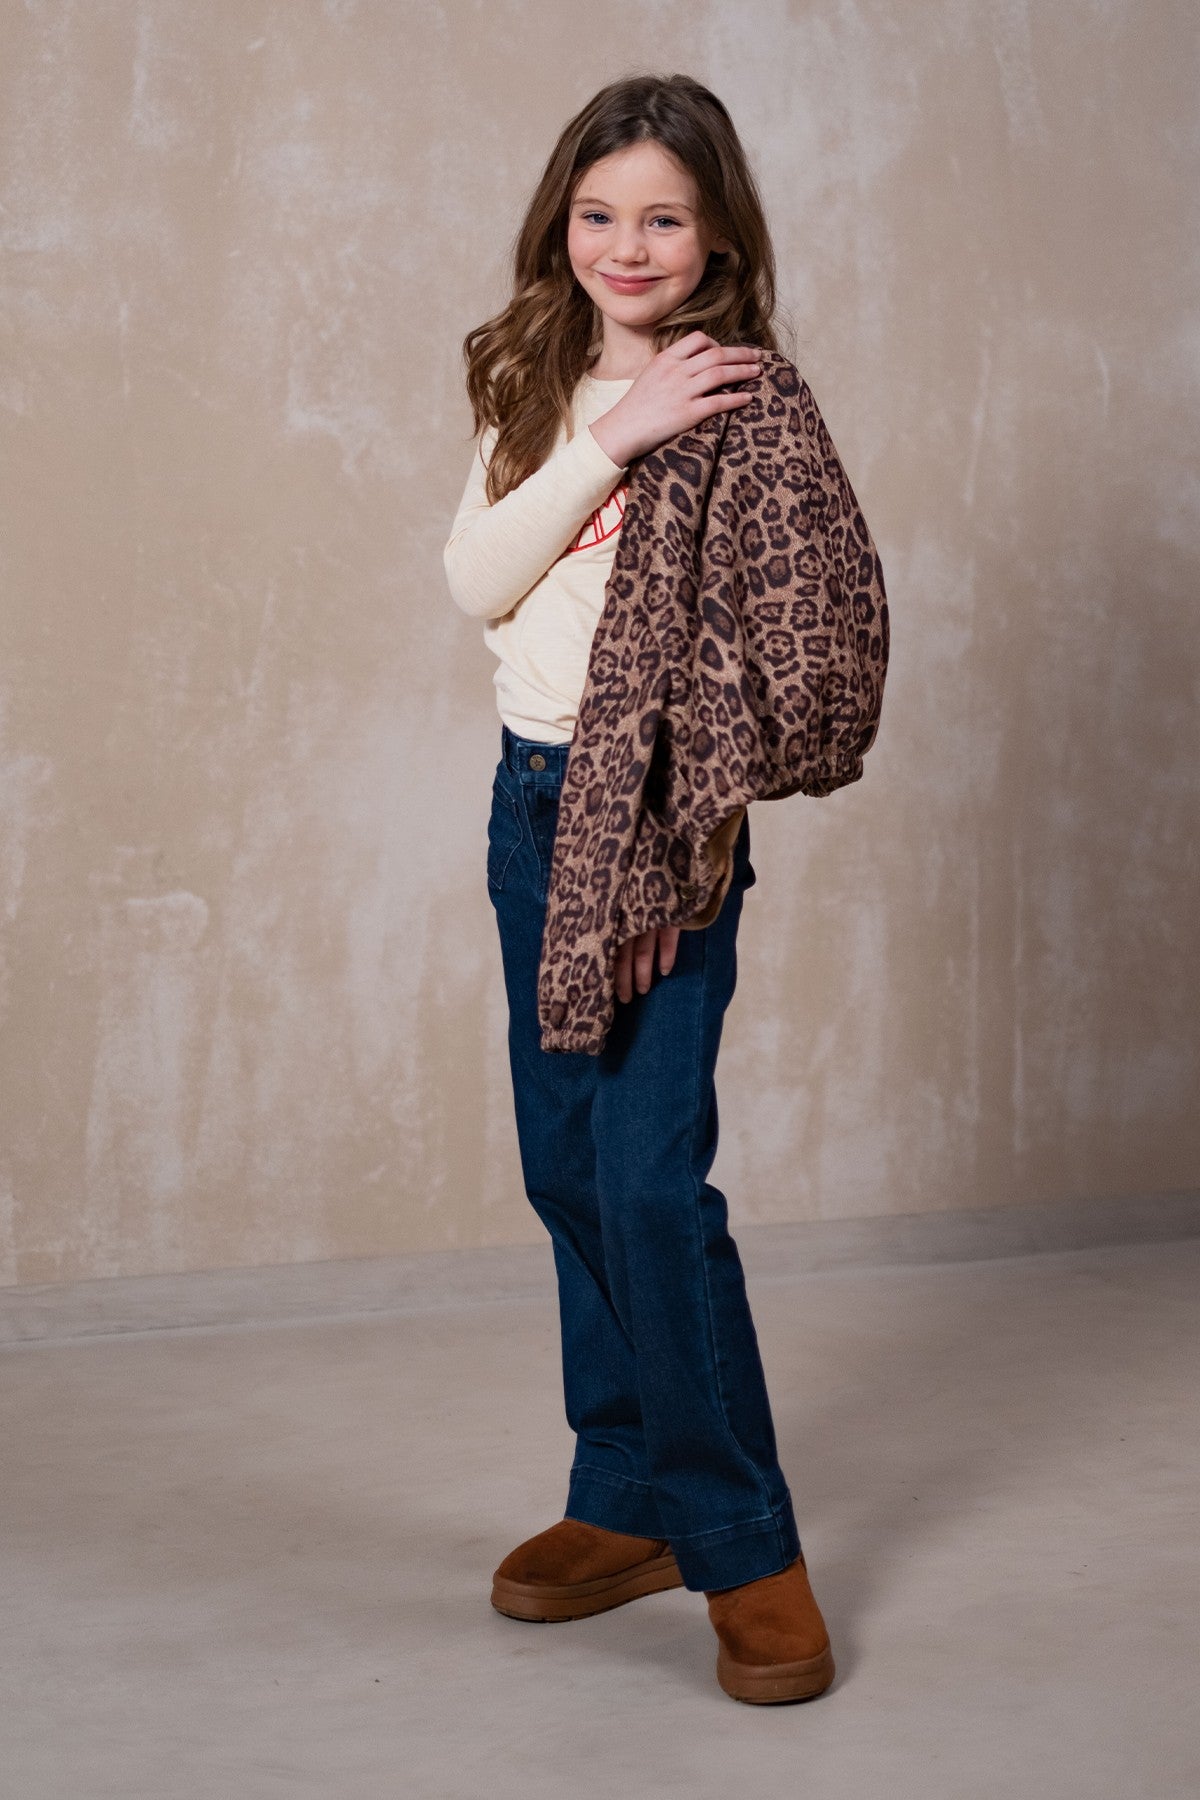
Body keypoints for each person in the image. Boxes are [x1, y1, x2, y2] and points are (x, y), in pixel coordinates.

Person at [443, 72, 836, 1705]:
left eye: (664, 217)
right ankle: (624, 1497)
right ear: (563, 222)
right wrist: (610, 436)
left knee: (652, 1185)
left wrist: (680, 848)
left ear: (717, 233)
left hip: (664, 832)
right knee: (568, 1170)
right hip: (533, 812)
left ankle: (742, 1542)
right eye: (600, 213)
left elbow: (769, 658)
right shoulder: (536, 375)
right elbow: (477, 576)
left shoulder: (744, 399)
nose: (629, 245)